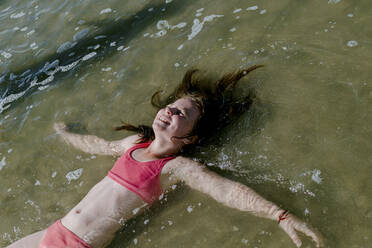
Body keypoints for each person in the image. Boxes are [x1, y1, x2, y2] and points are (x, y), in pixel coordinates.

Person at [7, 65, 322, 248]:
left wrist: (278, 214)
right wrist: (66, 135)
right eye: (172, 105)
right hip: (54, 230)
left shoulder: (176, 167)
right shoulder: (134, 143)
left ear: (192, 137)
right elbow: (99, 145)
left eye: (182, 113)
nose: (171, 110)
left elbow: (225, 190)